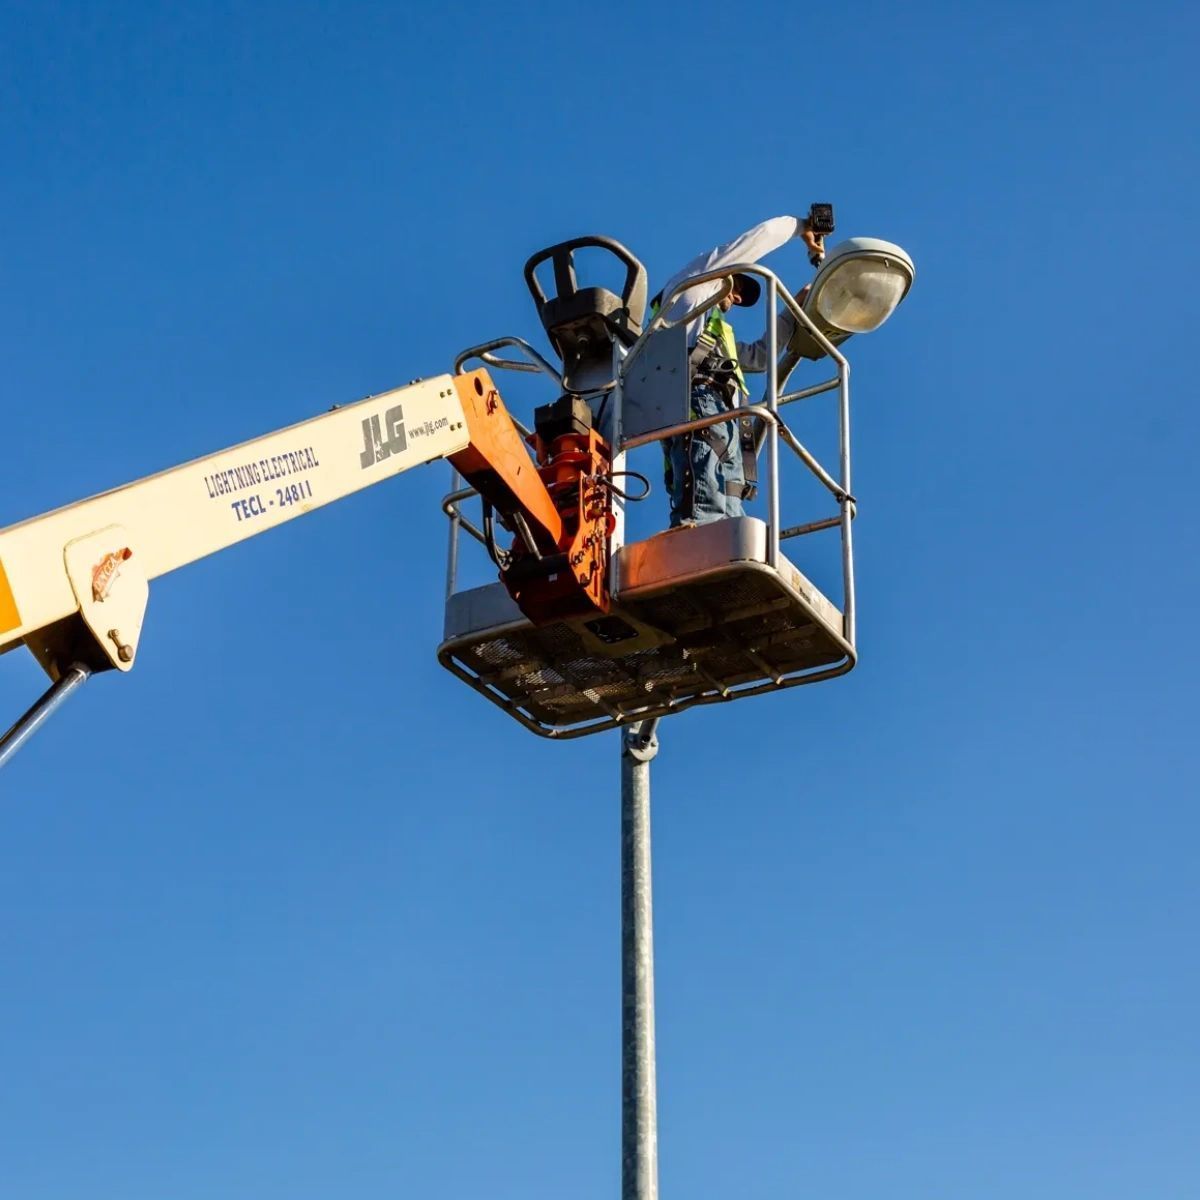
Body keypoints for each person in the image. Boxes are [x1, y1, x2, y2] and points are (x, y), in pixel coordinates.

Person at [655, 215, 827, 527]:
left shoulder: (716, 333)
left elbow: (761, 357)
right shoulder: (686, 296)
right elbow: (752, 243)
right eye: (737, 287)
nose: (735, 299)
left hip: (726, 420)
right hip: (700, 406)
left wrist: (793, 309)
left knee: (729, 507)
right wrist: (801, 226)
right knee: (704, 504)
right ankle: (697, 534)